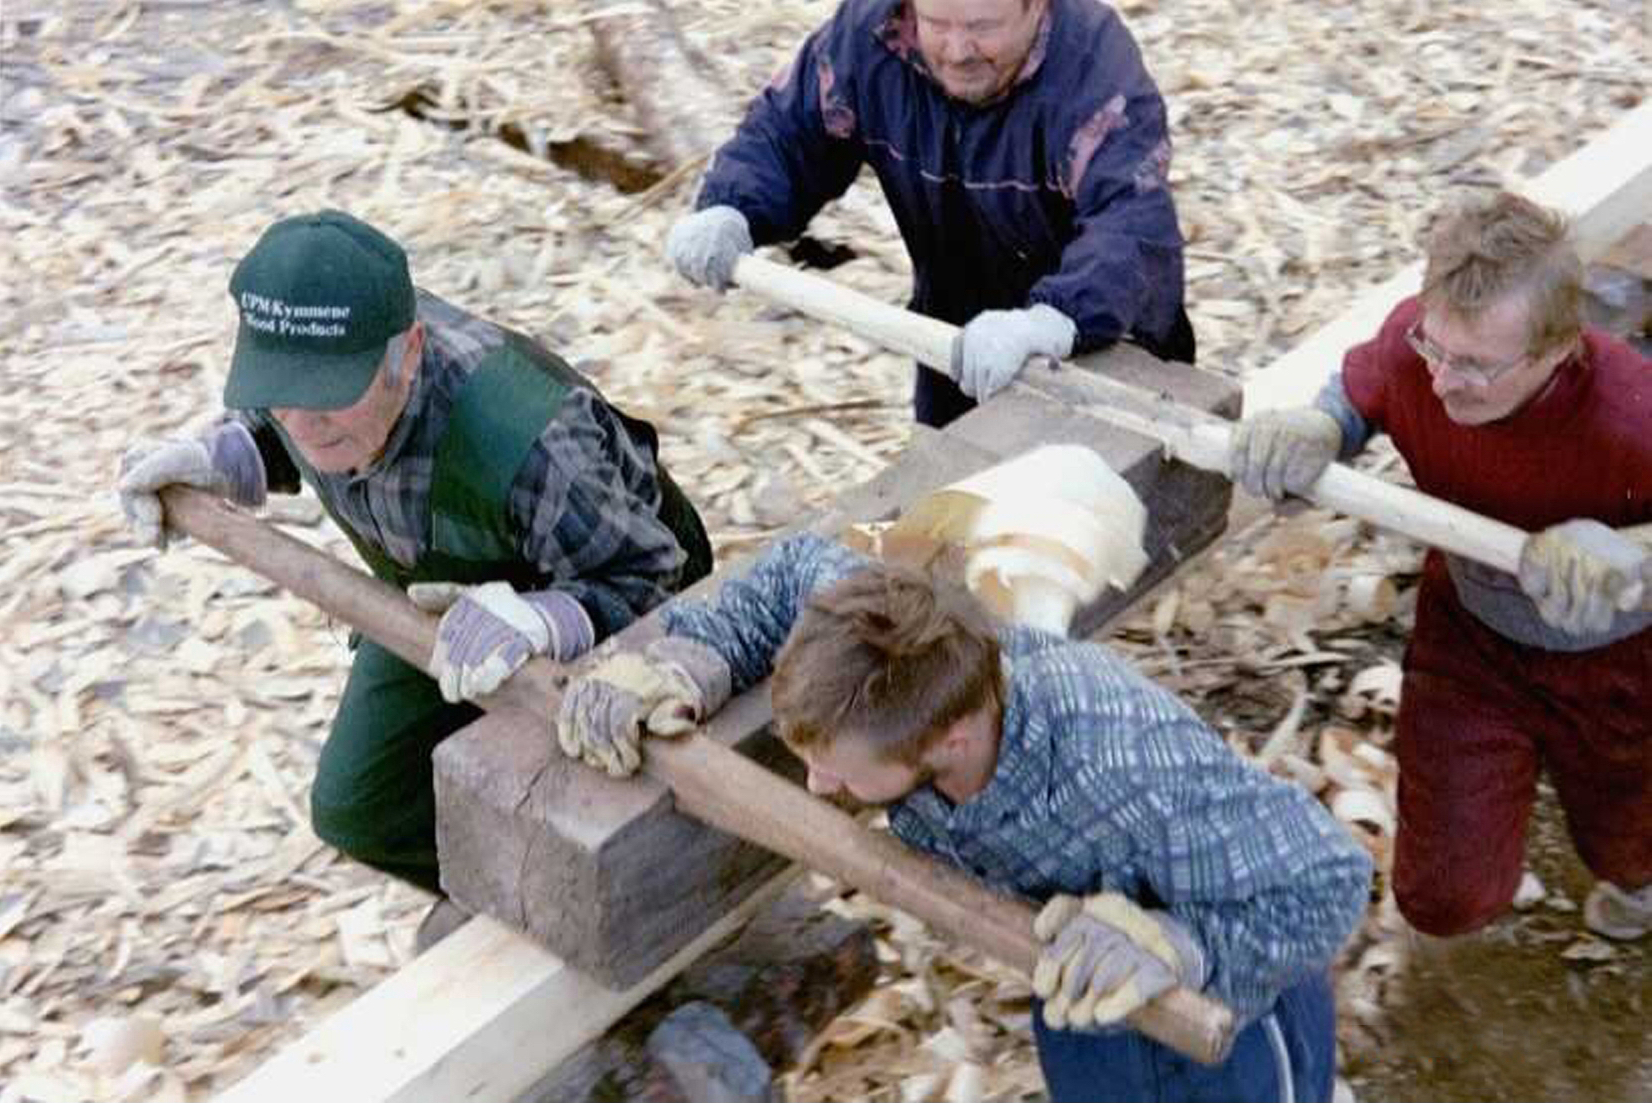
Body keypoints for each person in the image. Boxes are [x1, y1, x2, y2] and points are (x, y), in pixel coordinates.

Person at [554, 532, 1371, 1102]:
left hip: (1222, 1016)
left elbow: (1332, 879)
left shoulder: (1123, 758)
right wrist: (693, 655)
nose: (815, 782)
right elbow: (796, 567)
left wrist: (1190, 950)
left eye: (839, 770)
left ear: (949, 740)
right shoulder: (897, 636)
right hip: (1075, 985)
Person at [117, 211, 713, 933]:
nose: (303, 423)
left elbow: (651, 573)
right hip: (437, 594)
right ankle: (518, 903)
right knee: (356, 805)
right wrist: (224, 458)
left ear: (411, 351)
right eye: (282, 393)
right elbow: (282, 434)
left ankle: (624, 906)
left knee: (599, 801)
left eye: (330, 395)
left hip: (608, 589)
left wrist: (540, 619)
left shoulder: (532, 439)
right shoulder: (304, 366)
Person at [1229, 191, 1652, 941]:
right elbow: (1362, 392)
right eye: (1437, 348)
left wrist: (1637, 551)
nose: (1444, 381)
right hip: (1473, 634)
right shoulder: (1414, 348)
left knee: (1631, 840)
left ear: (1559, 348)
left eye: (1478, 366)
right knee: (1442, 894)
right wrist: (1320, 425)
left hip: (1618, 660)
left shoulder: (1632, 412)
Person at [666, 0, 1195, 428]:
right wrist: (731, 205)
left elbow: (1130, 222)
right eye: (937, 24)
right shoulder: (871, 36)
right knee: (946, 522)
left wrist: (1054, 321)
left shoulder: (1095, 67)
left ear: (1038, 8)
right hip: (952, 341)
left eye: (983, 27)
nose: (958, 50)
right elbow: (788, 136)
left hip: (1101, 343)